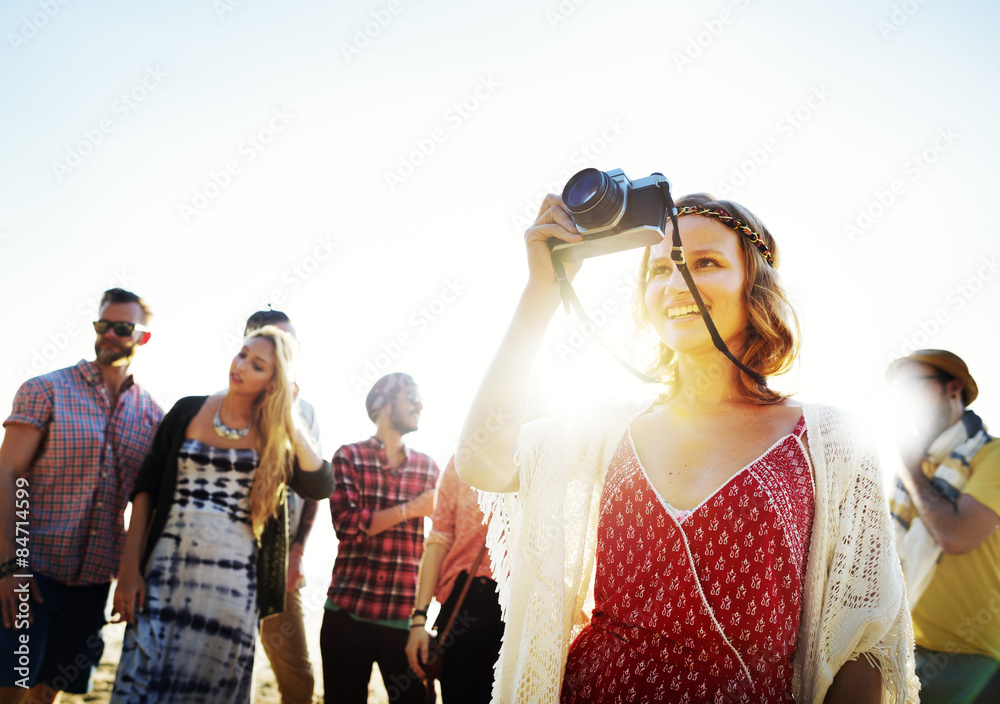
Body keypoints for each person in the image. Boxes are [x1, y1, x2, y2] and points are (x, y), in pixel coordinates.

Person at [456, 191, 919, 703]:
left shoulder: (832, 441)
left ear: (755, 285)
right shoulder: (606, 428)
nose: (678, 283)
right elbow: (482, 459)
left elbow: (865, 641)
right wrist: (541, 290)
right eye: (659, 269)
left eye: (706, 262)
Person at [109, 325, 334, 704]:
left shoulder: (275, 436)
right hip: (164, 574)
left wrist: (290, 417)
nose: (241, 365)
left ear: (273, 382)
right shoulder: (187, 410)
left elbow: (320, 485)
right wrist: (130, 570)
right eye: (242, 353)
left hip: (232, 590)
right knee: (141, 686)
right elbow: (145, 485)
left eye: (257, 364)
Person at [0, 288, 163, 704]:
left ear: (142, 337)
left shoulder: (152, 416)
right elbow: (7, 474)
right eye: (102, 325)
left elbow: (142, 501)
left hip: (93, 583)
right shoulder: (46, 390)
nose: (109, 334)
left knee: (47, 694)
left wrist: (129, 573)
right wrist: (9, 566)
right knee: (11, 690)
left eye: (122, 327)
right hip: (32, 572)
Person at [886, 350, 1000, 703]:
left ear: (953, 389)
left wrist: (911, 470)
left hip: (973, 660)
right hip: (903, 651)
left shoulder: (992, 456)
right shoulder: (916, 468)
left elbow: (956, 535)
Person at [320, 373, 439, 704]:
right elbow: (347, 526)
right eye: (411, 395)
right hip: (346, 618)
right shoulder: (348, 457)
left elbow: (444, 538)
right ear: (382, 404)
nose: (420, 403)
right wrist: (412, 508)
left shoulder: (429, 468)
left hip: (404, 623)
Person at [245, 310, 321, 704]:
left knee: (298, 678)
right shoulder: (217, 406)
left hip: (280, 561)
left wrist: (297, 552)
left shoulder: (305, 412)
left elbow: (314, 489)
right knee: (229, 669)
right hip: (228, 558)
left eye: (287, 341)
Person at [404, 456, 504, 703]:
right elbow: (439, 537)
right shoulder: (463, 459)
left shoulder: (541, 453)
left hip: (516, 607)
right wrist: (419, 620)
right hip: (461, 603)